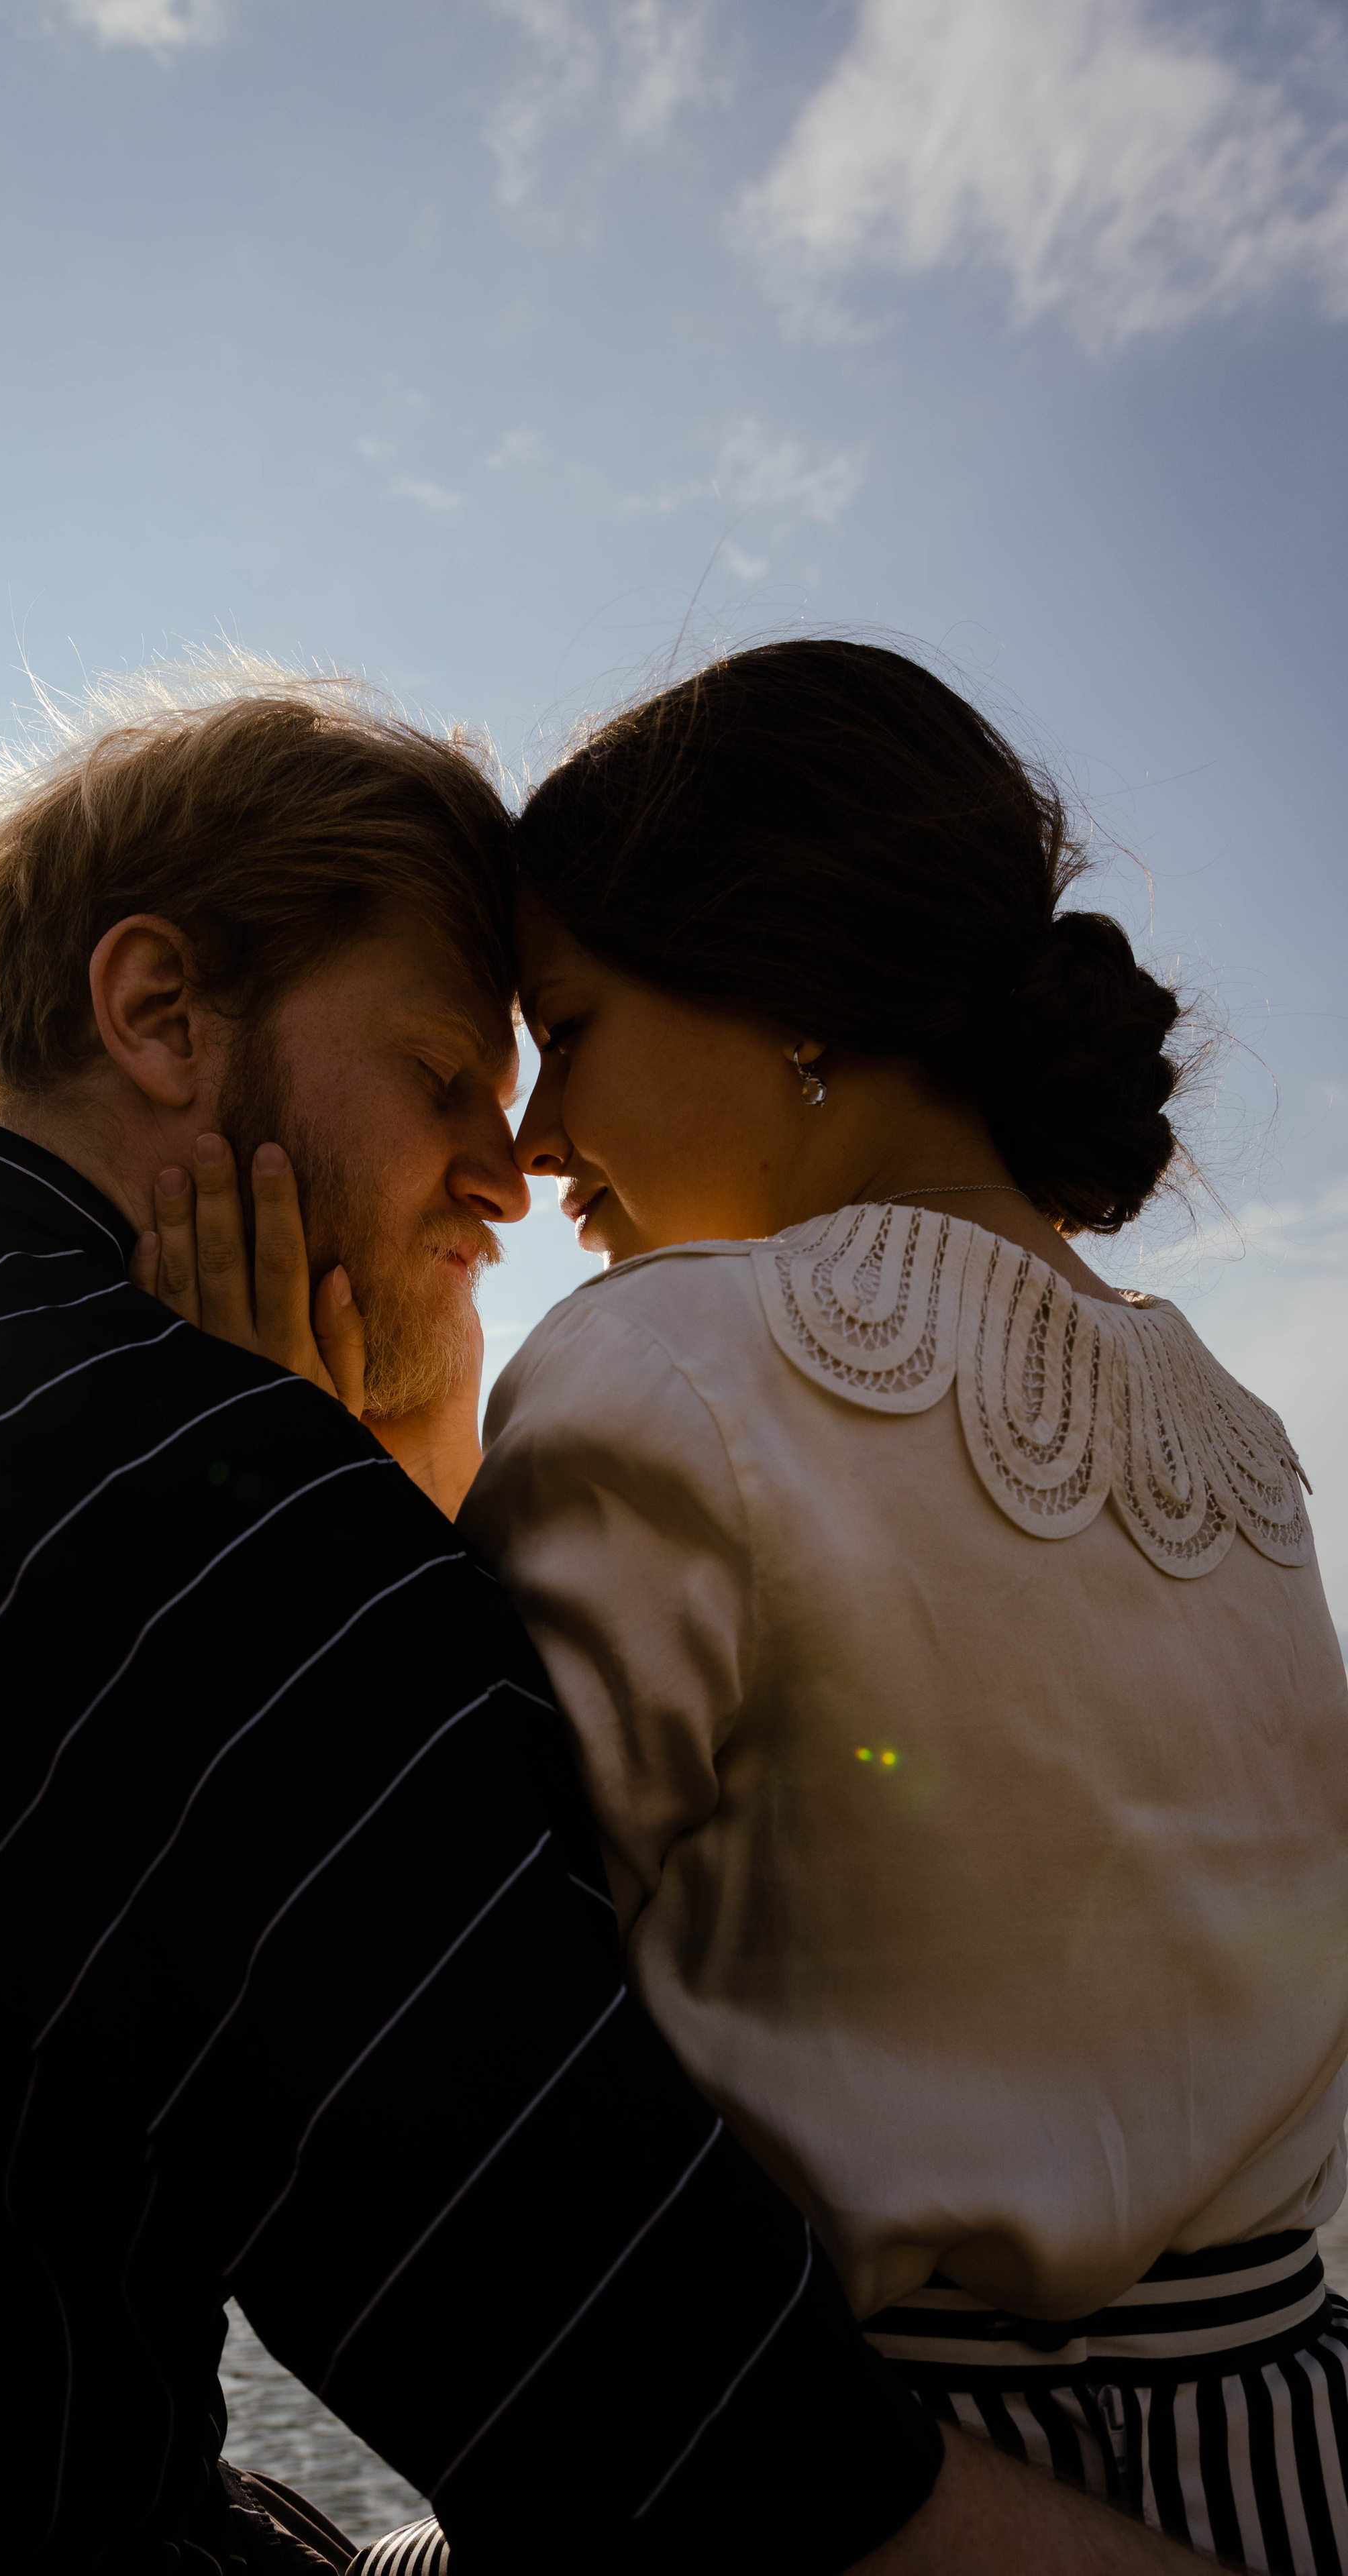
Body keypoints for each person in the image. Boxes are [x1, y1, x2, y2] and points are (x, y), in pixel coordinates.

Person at [0, 657, 1202, 2576]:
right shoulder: (196, 1522)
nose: (510, 1169)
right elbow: (692, 2445)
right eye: (447, 1071)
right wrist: (327, 1503)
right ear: (159, 1015)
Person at [442, 641, 1348, 2573]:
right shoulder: (1246, 1437)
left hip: (876, 2497)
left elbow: (475, 2021)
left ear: (787, 994)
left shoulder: (671, 1368)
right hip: (1289, 2466)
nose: (527, 1140)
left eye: (567, 1023)